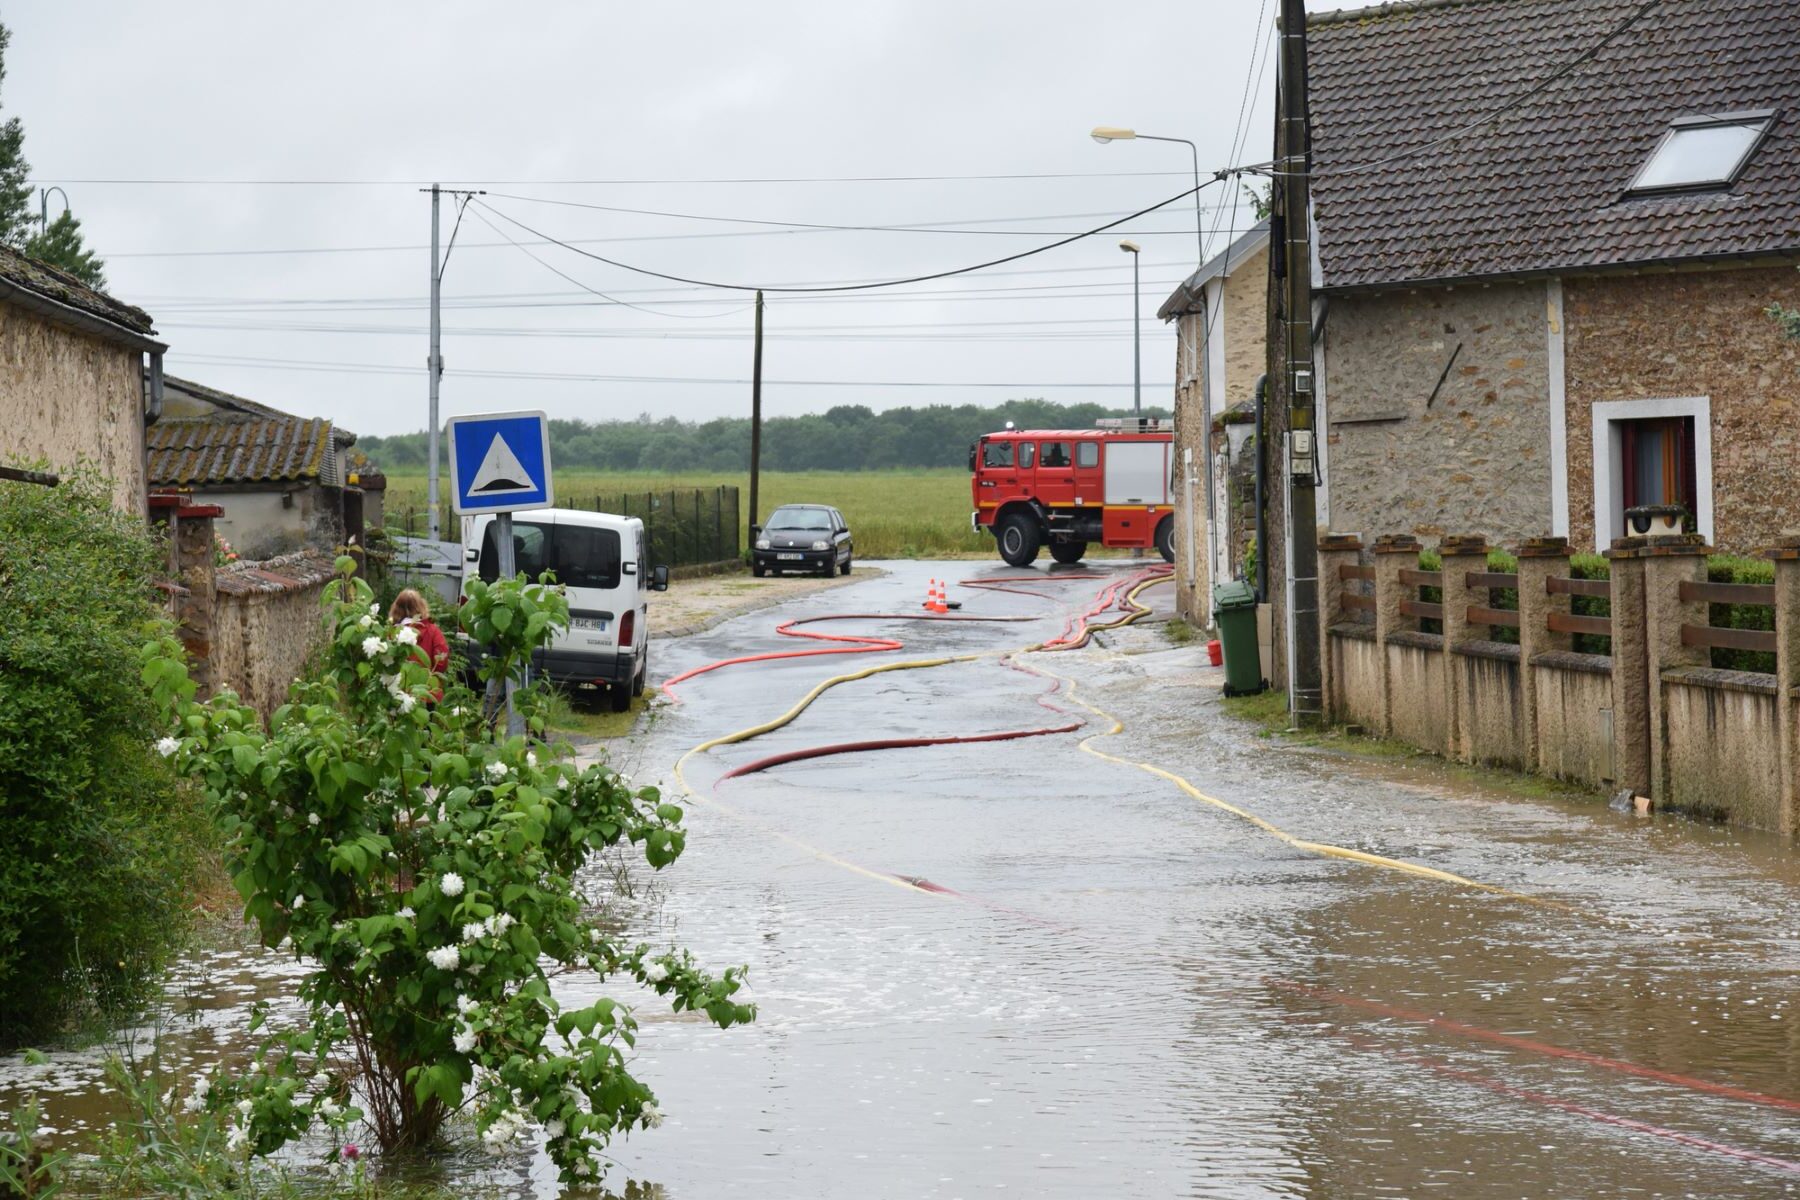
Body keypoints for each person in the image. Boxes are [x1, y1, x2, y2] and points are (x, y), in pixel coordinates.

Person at [389, 589, 450, 703]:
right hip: (426, 693)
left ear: (396, 608)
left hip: (397, 691)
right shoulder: (433, 631)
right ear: (421, 606)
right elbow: (441, 662)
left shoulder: (392, 632)